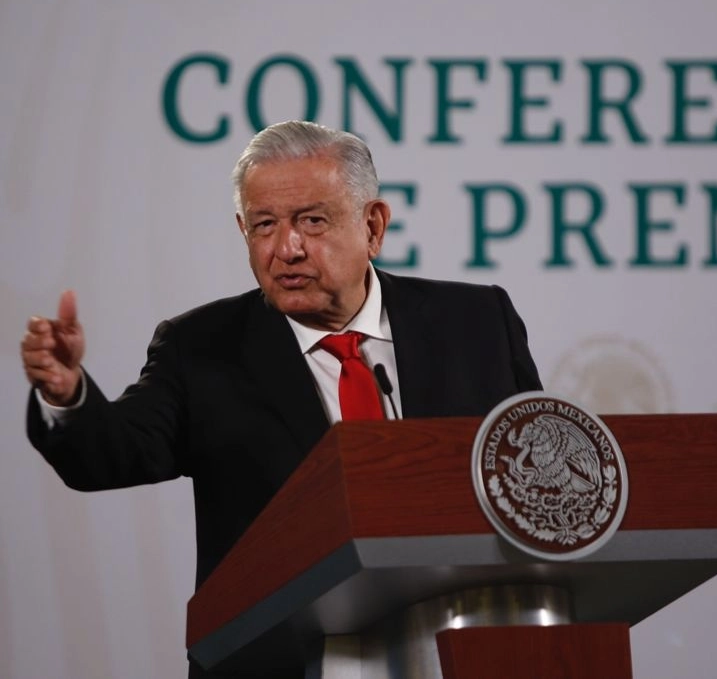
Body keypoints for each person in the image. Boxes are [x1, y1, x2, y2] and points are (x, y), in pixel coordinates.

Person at [20, 121, 543, 678]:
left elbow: (540, 486)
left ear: (373, 226)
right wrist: (67, 394)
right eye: (264, 225)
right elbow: (114, 451)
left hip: (464, 652)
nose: (286, 248)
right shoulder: (202, 348)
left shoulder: (478, 323)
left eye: (312, 221)